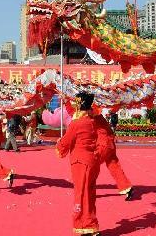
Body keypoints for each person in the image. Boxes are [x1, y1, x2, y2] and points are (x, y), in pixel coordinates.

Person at [56, 92, 101, 236]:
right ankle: (91, 224)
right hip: (92, 161)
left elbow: (67, 141)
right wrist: (67, 102)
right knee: (90, 194)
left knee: (81, 194)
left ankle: (82, 225)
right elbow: (75, 112)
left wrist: (59, 146)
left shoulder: (77, 123)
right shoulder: (92, 121)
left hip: (80, 162)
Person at [93, 110, 133, 201]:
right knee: (114, 166)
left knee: (92, 164)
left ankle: (88, 190)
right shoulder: (98, 116)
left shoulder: (91, 116)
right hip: (109, 143)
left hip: (103, 144)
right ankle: (127, 187)